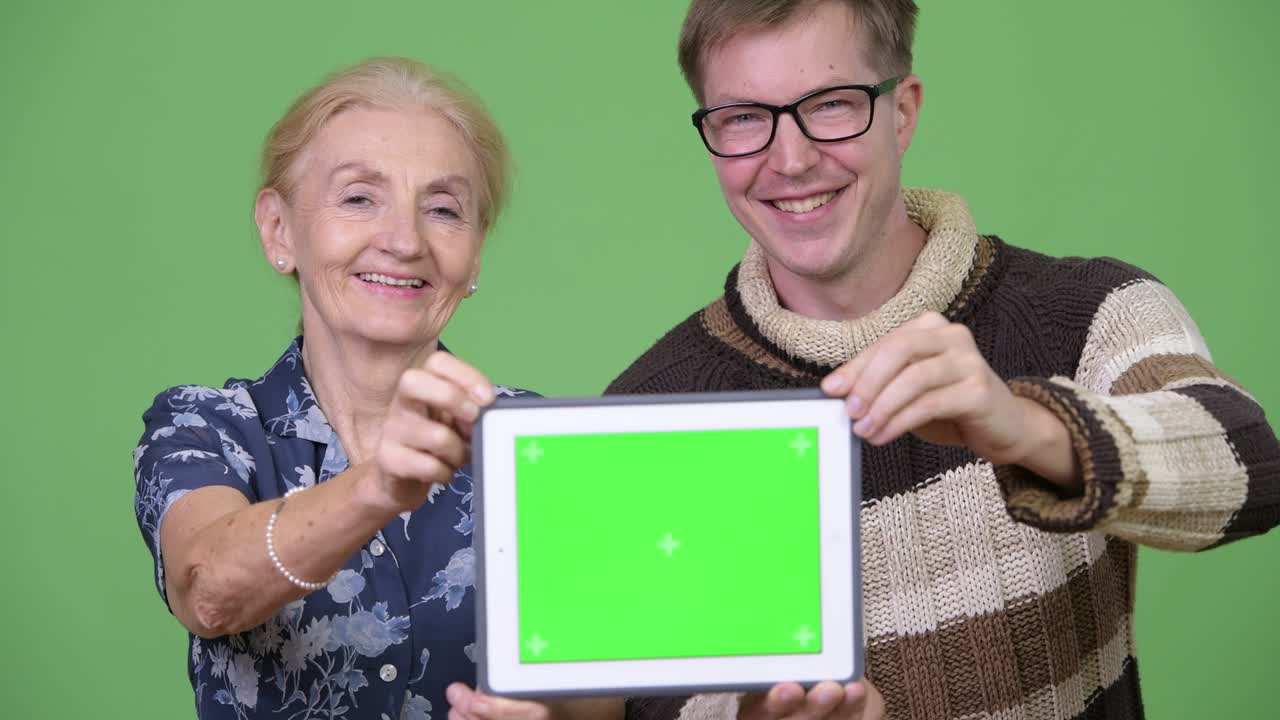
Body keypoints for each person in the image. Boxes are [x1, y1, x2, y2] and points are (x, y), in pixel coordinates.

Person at [608, 2, 1280, 719]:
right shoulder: (650, 416)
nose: (791, 159)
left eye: (832, 106)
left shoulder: (1088, 308)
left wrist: (1026, 428)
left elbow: (1252, 471)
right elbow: (648, 698)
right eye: (743, 118)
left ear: (903, 111)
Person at [132, 57, 621, 720]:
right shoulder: (205, 427)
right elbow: (208, 592)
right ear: (280, 230)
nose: (403, 241)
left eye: (443, 210)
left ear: (474, 256)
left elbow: (600, 699)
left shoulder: (537, 445)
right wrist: (376, 489)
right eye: (359, 198)